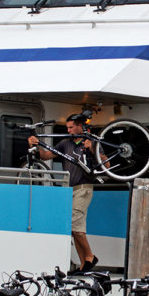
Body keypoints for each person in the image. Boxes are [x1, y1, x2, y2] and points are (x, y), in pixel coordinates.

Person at [28, 113, 97, 272]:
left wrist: (91, 148)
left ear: (80, 126)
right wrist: (35, 145)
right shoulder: (65, 143)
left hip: (83, 188)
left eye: (71, 127)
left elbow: (104, 159)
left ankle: (90, 257)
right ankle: (83, 265)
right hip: (69, 190)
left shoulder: (90, 141)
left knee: (74, 224)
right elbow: (46, 156)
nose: (69, 130)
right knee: (75, 229)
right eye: (67, 128)